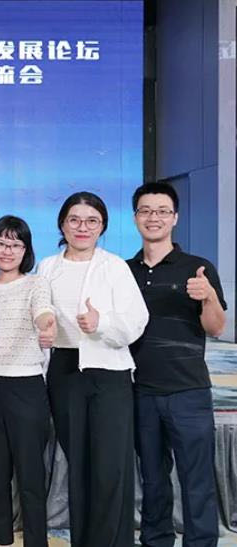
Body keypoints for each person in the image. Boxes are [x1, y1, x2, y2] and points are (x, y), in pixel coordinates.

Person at [38, 191, 149, 547]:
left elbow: (137, 321)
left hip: (108, 372)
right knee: (79, 465)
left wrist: (102, 323)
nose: (82, 227)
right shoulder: (48, 267)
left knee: (109, 467)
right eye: (74, 220)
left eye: (92, 221)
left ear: (102, 227)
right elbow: (39, 312)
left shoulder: (114, 266)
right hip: (64, 372)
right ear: (62, 225)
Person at [128, 183, 227, 547]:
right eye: (145, 210)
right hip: (141, 391)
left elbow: (216, 328)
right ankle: (156, 541)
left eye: (162, 211)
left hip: (189, 391)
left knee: (197, 480)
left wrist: (209, 297)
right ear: (135, 217)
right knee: (152, 481)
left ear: (175, 218)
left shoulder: (198, 268)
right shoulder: (124, 270)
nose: (153, 217)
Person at [0, 215, 56, 547]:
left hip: (26, 386)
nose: (7, 250)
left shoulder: (36, 284)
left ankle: (36, 542)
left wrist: (48, 326)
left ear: (26, 250)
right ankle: (0, 540)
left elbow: (43, 313)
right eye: (1, 243)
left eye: (16, 244)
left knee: (31, 475)